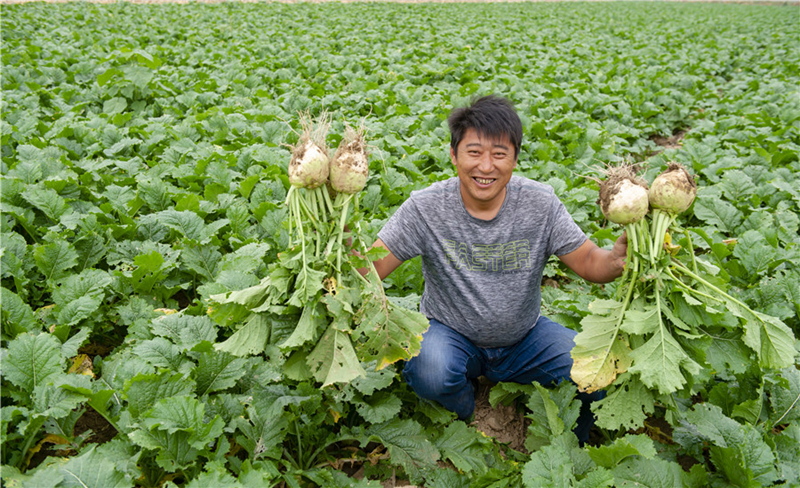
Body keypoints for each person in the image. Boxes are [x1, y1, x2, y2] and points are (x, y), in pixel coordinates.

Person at [368, 95, 627, 444]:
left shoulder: (540, 203)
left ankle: (567, 446)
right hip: (450, 334)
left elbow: (587, 261)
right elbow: (370, 269)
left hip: (525, 339)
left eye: (499, 154)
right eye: (474, 152)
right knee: (431, 371)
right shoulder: (425, 208)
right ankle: (472, 414)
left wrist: (614, 261)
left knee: (595, 373)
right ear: (453, 154)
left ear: (515, 159)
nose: (486, 166)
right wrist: (339, 242)